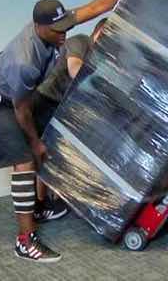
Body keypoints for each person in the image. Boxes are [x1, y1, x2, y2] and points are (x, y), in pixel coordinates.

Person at [0, 0, 123, 263]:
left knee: (46, 146)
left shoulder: (55, 25)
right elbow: (22, 108)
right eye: (57, 31)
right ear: (39, 27)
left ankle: (38, 208)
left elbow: (97, 5)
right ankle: (25, 242)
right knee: (26, 160)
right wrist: (34, 141)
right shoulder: (24, 60)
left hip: (15, 101)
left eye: (66, 26)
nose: (63, 34)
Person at [32, 18, 107, 221]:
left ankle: (52, 198)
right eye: (108, 35)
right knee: (44, 151)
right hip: (43, 98)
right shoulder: (81, 42)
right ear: (99, 31)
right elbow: (74, 70)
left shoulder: (97, 56)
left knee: (55, 151)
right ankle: (40, 205)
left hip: (58, 103)